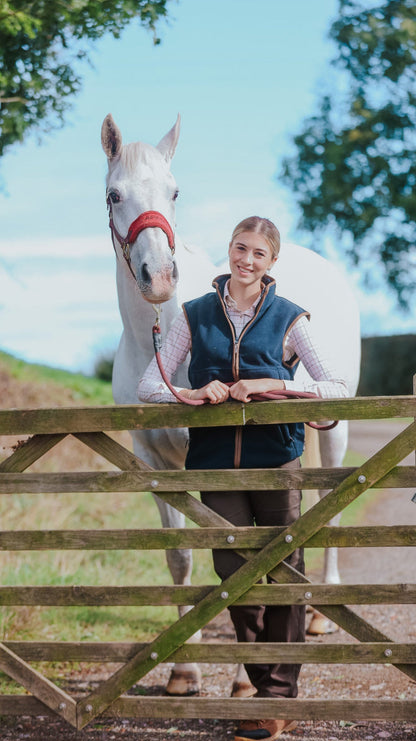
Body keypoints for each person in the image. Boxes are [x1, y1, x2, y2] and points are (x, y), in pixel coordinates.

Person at [138, 216, 348, 741]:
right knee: (237, 579)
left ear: (271, 262)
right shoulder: (193, 315)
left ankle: (277, 699)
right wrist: (193, 394)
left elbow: (336, 386)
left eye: (258, 253)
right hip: (214, 467)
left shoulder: (290, 318)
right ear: (228, 252)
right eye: (239, 249)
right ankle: (262, 684)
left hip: (277, 464)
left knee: (285, 576)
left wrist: (273, 385)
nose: (246, 260)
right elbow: (149, 385)